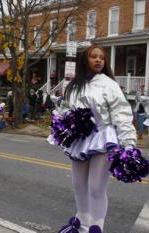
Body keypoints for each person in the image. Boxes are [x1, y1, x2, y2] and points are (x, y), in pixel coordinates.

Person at [51, 45, 137, 233]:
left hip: (103, 137)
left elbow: (121, 114)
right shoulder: (74, 85)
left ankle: (97, 228)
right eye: (94, 57)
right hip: (81, 140)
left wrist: (128, 143)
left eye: (102, 58)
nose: (99, 60)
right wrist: (63, 124)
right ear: (85, 60)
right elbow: (66, 110)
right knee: (78, 184)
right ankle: (82, 224)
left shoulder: (109, 84)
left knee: (96, 187)